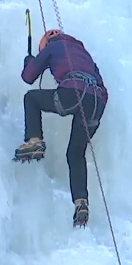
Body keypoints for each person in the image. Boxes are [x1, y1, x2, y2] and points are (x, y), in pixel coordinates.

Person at [14, 29, 109, 227]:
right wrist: (95, 115)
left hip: (73, 92)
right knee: (76, 153)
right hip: (96, 104)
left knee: (31, 98)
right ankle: (81, 202)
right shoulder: (85, 55)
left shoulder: (54, 46)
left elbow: (28, 77)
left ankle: (35, 141)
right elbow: (104, 90)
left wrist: (30, 60)